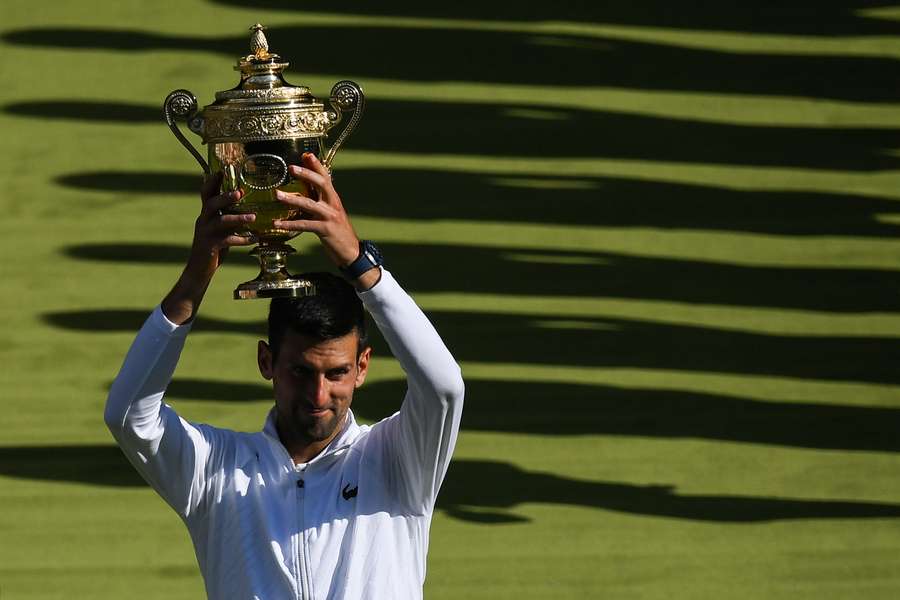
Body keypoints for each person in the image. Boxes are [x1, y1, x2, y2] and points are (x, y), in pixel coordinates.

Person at [104, 153, 465, 600]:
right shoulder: (215, 469)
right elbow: (128, 416)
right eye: (300, 371)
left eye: (337, 372)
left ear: (362, 368)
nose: (319, 394)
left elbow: (444, 388)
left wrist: (360, 264)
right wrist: (197, 275)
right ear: (266, 363)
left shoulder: (398, 461)